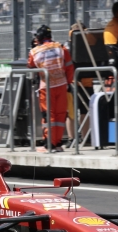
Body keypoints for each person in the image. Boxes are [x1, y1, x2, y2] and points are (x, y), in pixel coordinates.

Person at [28, 25, 74, 153]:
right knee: (60, 115)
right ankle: (57, 143)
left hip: (46, 87)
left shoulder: (35, 51)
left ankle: (48, 144)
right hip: (62, 85)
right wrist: (68, 82)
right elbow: (70, 67)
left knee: (48, 115)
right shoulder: (61, 48)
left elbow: (30, 65)